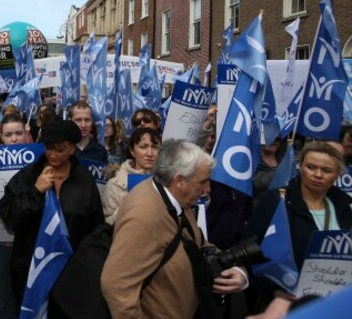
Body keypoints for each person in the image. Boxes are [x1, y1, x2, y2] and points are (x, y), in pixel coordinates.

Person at [101, 139, 248, 319]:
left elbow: (197, 242)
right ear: (179, 180)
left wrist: (237, 271)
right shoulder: (144, 216)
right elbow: (116, 285)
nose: (207, 189)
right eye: (202, 182)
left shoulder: (177, 200)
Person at [0, 120, 104, 311]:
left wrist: (86, 265)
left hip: (70, 273)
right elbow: (11, 218)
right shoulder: (28, 176)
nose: (53, 154)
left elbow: (95, 227)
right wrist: (36, 191)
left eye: (60, 149)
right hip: (32, 271)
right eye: (48, 148)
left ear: (72, 149)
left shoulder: (84, 180)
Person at [245, 141, 352, 310]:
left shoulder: (346, 207)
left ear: (337, 174)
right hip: (287, 302)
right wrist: (273, 289)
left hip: (335, 302)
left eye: (326, 170)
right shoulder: (276, 200)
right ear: (300, 167)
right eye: (311, 167)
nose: (317, 175)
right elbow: (251, 247)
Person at [0, 112, 28, 319]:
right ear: (0, 136)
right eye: (9, 134)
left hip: (28, 244)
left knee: (24, 300)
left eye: (18, 133)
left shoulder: (39, 160)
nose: (14, 139)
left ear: (26, 134)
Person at [103, 127, 161, 225]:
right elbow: (108, 224)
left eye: (154, 147)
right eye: (143, 147)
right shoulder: (115, 184)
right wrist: (128, 204)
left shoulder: (166, 183)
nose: (150, 153)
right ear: (132, 151)